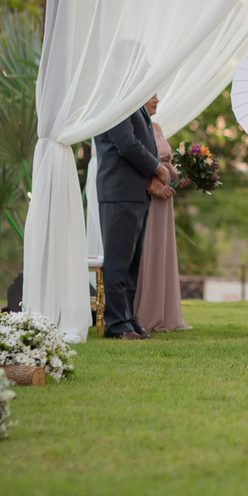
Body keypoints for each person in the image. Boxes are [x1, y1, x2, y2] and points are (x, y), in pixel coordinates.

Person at [94, 100, 174, 340]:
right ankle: (116, 323)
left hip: (136, 191)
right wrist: (156, 168)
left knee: (131, 262)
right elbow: (126, 143)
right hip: (120, 189)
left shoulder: (134, 101)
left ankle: (128, 318)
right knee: (118, 261)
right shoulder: (116, 99)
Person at [132, 96, 191, 333]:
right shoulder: (136, 126)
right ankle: (146, 312)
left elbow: (165, 163)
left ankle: (165, 313)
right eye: (151, 96)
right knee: (150, 249)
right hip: (151, 195)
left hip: (166, 199)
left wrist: (181, 176)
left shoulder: (156, 127)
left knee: (163, 250)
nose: (157, 99)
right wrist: (153, 184)